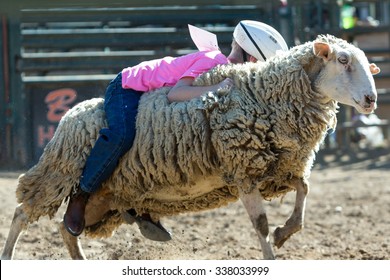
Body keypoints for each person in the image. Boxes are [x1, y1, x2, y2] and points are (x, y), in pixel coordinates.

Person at [63, 20, 289, 239]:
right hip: (128, 87)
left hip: (152, 99)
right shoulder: (214, 62)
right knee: (122, 136)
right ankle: (81, 194)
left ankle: (141, 206)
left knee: (156, 150)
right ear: (251, 59)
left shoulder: (225, 72)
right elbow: (177, 93)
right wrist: (217, 88)